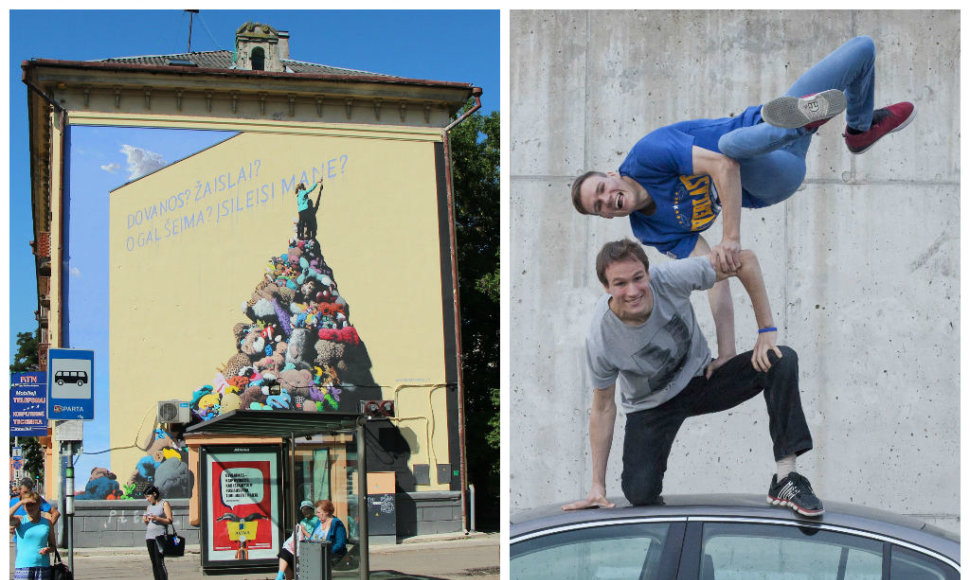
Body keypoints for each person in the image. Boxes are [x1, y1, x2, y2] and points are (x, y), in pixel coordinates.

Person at [571, 35, 915, 373]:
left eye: (602, 189)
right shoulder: (652, 229)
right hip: (773, 177)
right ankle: (799, 122)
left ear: (612, 174)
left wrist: (730, 237)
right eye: (598, 206)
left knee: (862, 50)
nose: (607, 200)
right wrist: (728, 351)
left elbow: (721, 168)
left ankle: (859, 130)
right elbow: (713, 274)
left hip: (764, 127)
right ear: (603, 215)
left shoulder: (648, 156)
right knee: (729, 148)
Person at [562, 239, 822, 516]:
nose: (633, 290)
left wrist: (765, 330)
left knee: (779, 360)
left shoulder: (669, 279)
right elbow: (603, 408)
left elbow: (746, 261)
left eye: (638, 278)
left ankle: (785, 478)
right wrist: (597, 486)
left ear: (648, 273)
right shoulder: (601, 337)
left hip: (702, 378)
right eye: (620, 284)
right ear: (607, 288)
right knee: (639, 493)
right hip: (651, 407)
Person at [10, 491, 55, 580]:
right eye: (27, 505)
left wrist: (48, 549)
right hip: (23, 567)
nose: (30, 508)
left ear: (39, 504)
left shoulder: (47, 523)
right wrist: (21, 502)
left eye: (32, 504)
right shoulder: (20, 520)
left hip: (43, 566)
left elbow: (53, 545)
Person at [275, 500, 323, 580]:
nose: (305, 512)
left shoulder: (317, 521)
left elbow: (314, 538)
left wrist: (304, 531)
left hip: (310, 548)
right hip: (300, 547)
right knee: (284, 553)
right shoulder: (303, 521)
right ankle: (280, 575)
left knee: (286, 555)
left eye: (307, 509)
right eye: (303, 510)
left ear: (311, 509)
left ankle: (281, 576)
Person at [142, 485, 173, 580]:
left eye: (148, 496)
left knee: (160, 561)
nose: (147, 499)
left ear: (154, 494)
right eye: (145, 497)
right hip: (149, 537)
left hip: (160, 536)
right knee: (154, 562)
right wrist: (145, 520)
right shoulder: (149, 507)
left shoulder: (164, 503)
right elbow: (148, 523)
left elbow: (169, 520)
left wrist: (157, 518)